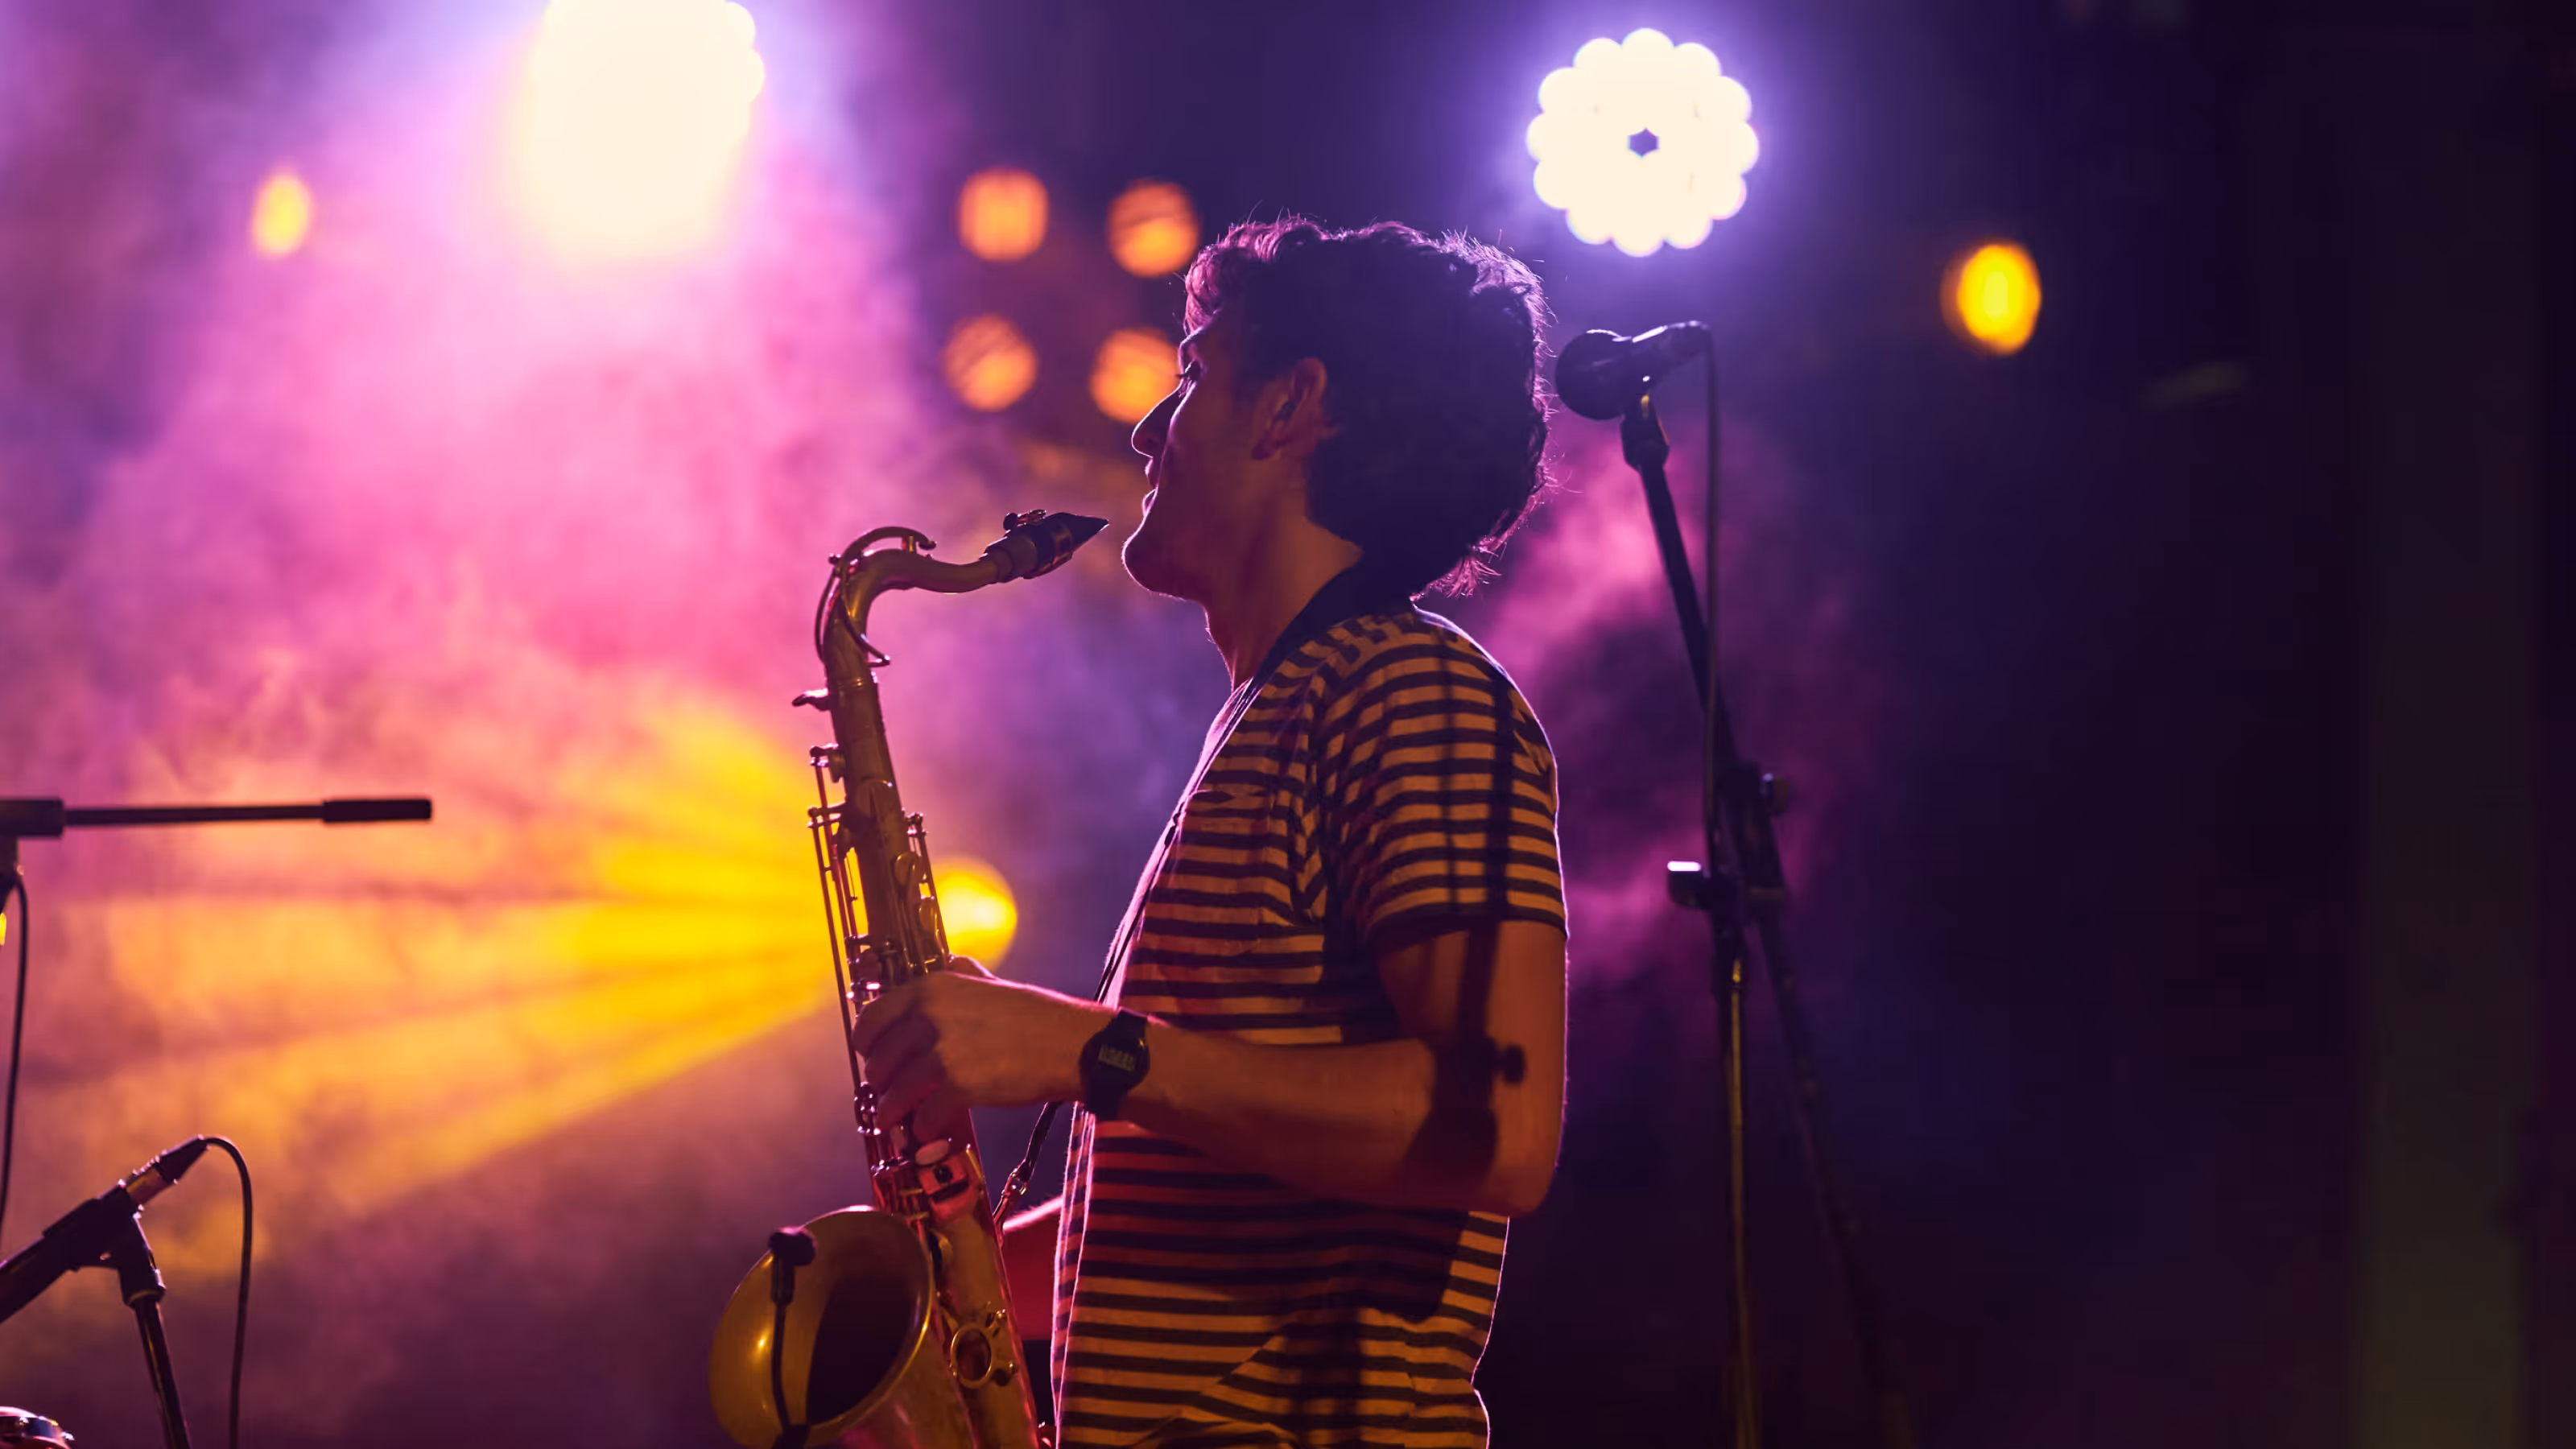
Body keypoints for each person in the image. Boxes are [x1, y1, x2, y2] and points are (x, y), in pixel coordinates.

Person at [850, 217, 1567, 1447]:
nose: (1145, 426)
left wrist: (1089, 1053)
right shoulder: (1290, 709)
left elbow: (1495, 1132)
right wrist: (936, 1289)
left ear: (1290, 407)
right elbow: (1231, 1184)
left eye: (1189, 374)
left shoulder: (1409, 691)